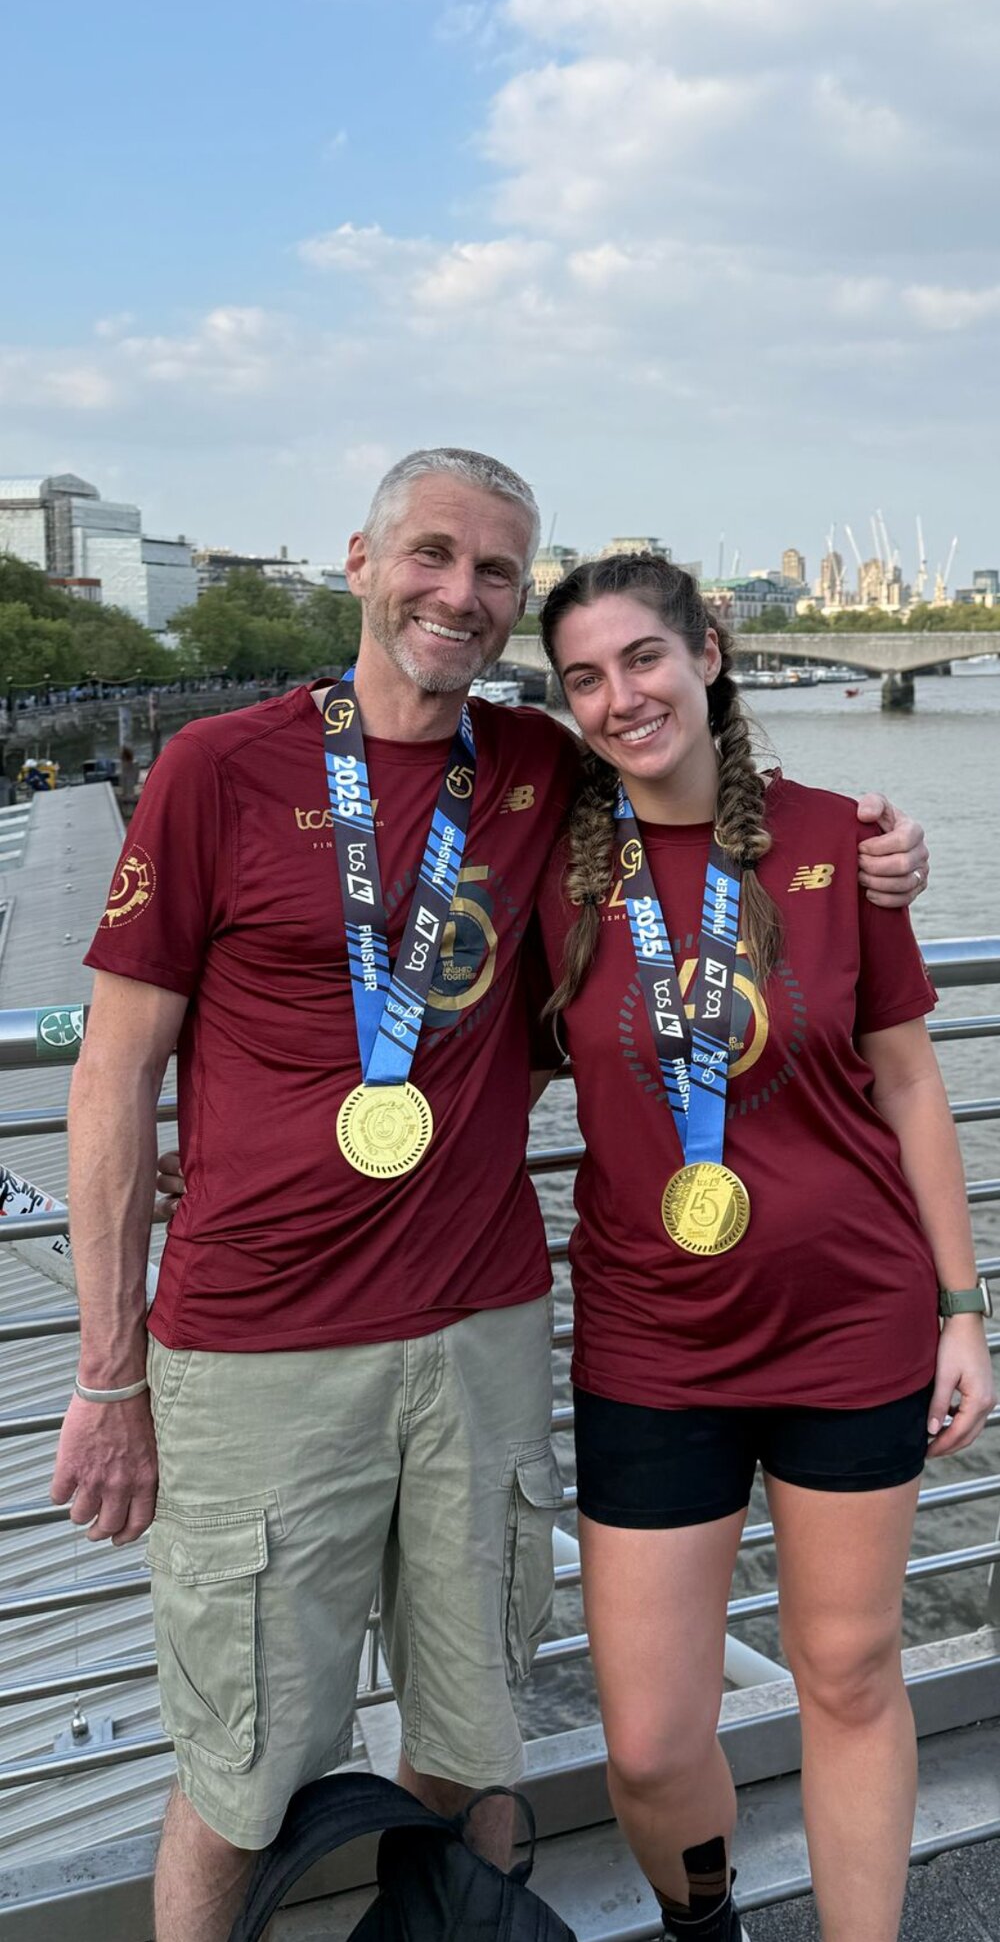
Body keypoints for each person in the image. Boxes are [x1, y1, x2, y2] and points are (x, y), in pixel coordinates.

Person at [50, 452, 929, 1942]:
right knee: (240, 1770)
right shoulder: (218, 770)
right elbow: (114, 1077)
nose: (462, 593)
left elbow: (702, 786)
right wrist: (107, 1370)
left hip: (483, 1334)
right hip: (260, 1347)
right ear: (362, 562)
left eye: (498, 572)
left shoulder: (538, 767)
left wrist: (880, 848)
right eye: (433, 555)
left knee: (473, 1745)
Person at [533, 553, 994, 1942]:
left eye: (645, 659)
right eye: (585, 680)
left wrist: (964, 1308)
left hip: (852, 1317)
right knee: (655, 1742)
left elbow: (911, 1083)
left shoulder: (834, 839)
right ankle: (709, 1926)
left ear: (711, 654)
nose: (621, 698)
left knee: (850, 1671)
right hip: (651, 1340)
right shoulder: (555, 868)